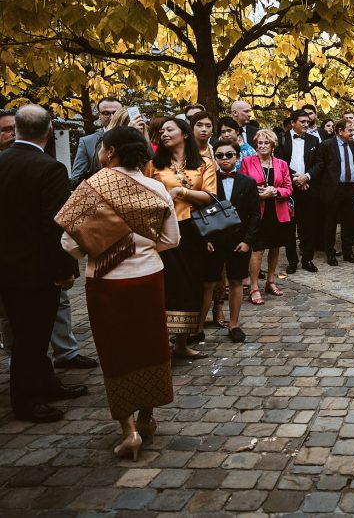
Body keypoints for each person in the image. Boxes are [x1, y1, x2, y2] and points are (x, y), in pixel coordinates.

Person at [58, 126, 179, 460]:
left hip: (106, 282)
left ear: (109, 152)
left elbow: (69, 243)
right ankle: (147, 417)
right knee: (150, 347)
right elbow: (172, 241)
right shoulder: (158, 187)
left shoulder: (91, 188)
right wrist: (137, 248)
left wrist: (103, 247)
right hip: (149, 277)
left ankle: (129, 432)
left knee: (117, 352)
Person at [0, 105, 84, 423]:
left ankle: (46, 384)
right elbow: (56, 225)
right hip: (36, 270)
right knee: (31, 339)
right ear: (49, 132)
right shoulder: (49, 168)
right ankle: (26, 400)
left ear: (17, 129)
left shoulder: (2, 161)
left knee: (27, 333)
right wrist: (64, 270)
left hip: (7, 267)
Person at [144, 117, 216, 359]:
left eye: (169, 130)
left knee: (190, 283)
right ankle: (161, 340)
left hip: (193, 229)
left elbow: (210, 196)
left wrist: (180, 191)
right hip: (164, 229)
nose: (164, 134)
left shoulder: (204, 163)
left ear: (184, 134)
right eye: (161, 131)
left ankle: (182, 343)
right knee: (167, 283)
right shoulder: (153, 164)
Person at [198, 142, 261, 343]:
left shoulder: (248, 182)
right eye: (220, 155)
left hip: (238, 241)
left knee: (236, 281)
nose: (224, 158)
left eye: (229, 154)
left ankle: (234, 324)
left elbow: (255, 216)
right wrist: (204, 239)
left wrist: (248, 242)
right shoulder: (208, 181)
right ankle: (197, 327)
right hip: (214, 241)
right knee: (208, 283)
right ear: (215, 158)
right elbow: (199, 213)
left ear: (237, 157)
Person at [241, 129, 294, 304]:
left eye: (266, 143)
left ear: (273, 146)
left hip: (278, 210)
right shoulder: (247, 162)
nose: (262, 146)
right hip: (257, 212)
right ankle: (254, 287)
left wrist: (275, 191)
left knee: (275, 246)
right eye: (259, 143)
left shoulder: (281, 164)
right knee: (257, 249)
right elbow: (242, 187)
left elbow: (288, 187)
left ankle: (270, 281)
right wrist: (258, 195)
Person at [312, 119, 354, 266]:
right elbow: (320, 166)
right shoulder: (326, 145)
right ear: (340, 131)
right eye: (350, 130)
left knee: (349, 222)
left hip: (350, 188)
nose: (353, 133)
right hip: (333, 189)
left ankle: (348, 252)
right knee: (330, 222)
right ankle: (330, 253)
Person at [276, 110, 320, 273]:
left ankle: (307, 259)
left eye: (307, 122)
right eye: (302, 121)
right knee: (289, 227)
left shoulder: (314, 140)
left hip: (308, 187)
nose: (306, 124)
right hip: (289, 188)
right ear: (293, 122)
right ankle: (292, 261)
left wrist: (306, 177)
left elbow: (319, 163)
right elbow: (280, 163)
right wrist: (297, 179)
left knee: (308, 226)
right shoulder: (282, 139)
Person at [69, 96, 122, 188]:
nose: (112, 117)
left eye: (116, 113)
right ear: (99, 115)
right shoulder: (87, 142)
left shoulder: (137, 137)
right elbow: (75, 179)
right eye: (106, 113)